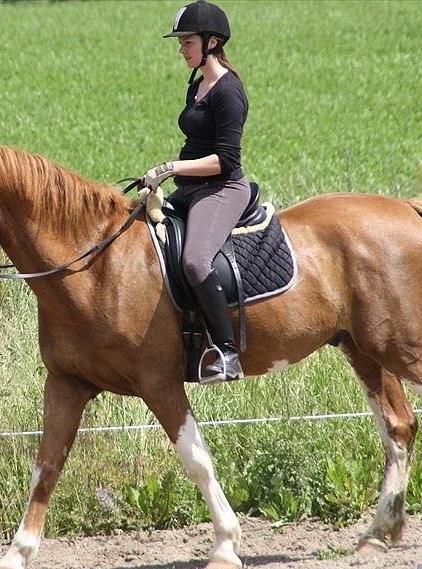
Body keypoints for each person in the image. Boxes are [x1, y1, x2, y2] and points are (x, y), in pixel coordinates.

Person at [142, 0, 250, 384]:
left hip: (222, 189)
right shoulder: (198, 84)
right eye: (182, 42)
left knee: (194, 262)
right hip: (191, 188)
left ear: (212, 42)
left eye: (187, 42)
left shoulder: (228, 92)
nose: (181, 49)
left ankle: (228, 352)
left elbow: (224, 159)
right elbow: (195, 146)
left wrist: (170, 168)